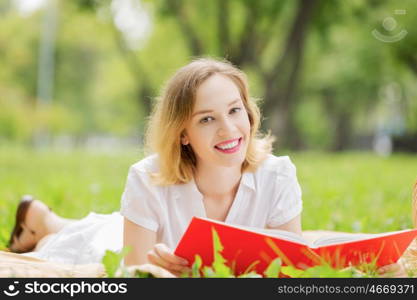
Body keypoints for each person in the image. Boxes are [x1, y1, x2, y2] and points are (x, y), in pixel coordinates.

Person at [5, 58, 412, 277]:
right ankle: (44, 222)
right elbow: (132, 269)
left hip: (138, 223)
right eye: (206, 119)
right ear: (182, 133)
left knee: (105, 221)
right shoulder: (146, 177)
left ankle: (47, 217)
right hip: (119, 239)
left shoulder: (277, 173)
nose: (229, 129)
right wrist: (158, 269)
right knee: (88, 237)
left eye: (235, 110)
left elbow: (291, 259)